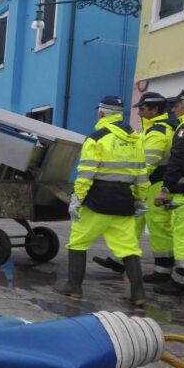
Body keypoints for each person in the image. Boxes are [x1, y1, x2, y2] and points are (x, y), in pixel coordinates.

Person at [53, 95, 149, 306]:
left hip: (98, 200)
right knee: (129, 248)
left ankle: (74, 287)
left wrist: (77, 198)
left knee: (78, 241)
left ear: (101, 113)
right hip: (124, 201)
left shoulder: (96, 138)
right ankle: (138, 293)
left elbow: (86, 173)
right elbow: (141, 173)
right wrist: (141, 199)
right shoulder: (135, 139)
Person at [92, 92, 176, 282]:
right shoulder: (151, 130)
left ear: (155, 110)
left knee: (158, 227)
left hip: (155, 184)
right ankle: (120, 259)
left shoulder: (158, 132)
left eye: (143, 109)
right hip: (149, 185)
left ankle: (163, 270)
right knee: (135, 223)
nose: (139, 112)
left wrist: (130, 181)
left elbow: (148, 164)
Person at [153, 89, 184, 297]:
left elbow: (178, 159)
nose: (173, 109)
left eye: (177, 105)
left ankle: (183, 283)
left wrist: (165, 187)